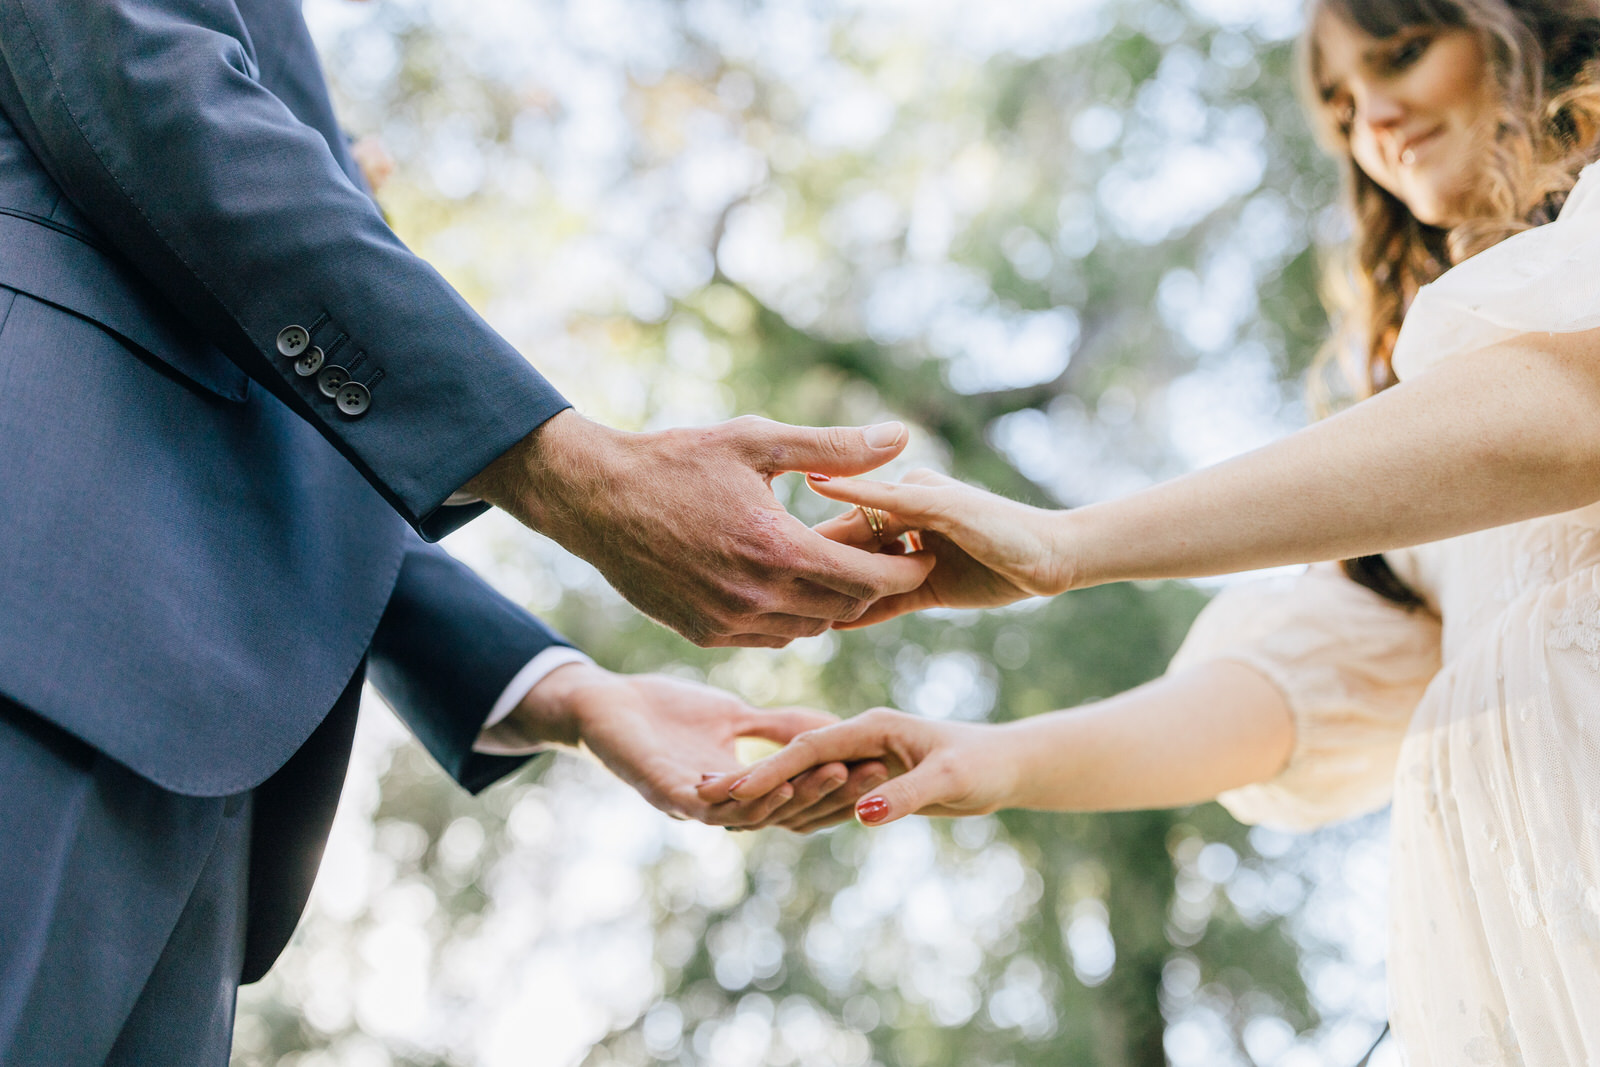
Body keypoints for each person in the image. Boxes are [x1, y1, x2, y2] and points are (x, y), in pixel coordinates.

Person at [0, 0, 909, 1061]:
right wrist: (576, 470)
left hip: (203, 759)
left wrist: (568, 692)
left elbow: (267, 407)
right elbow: (147, 94)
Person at [707, 0, 1600, 1061]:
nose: (1375, 118)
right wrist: (993, 757)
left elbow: (1570, 405)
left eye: (1402, 54)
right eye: (1339, 103)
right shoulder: (1418, 441)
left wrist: (1068, 542)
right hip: (1538, 935)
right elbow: (1290, 695)